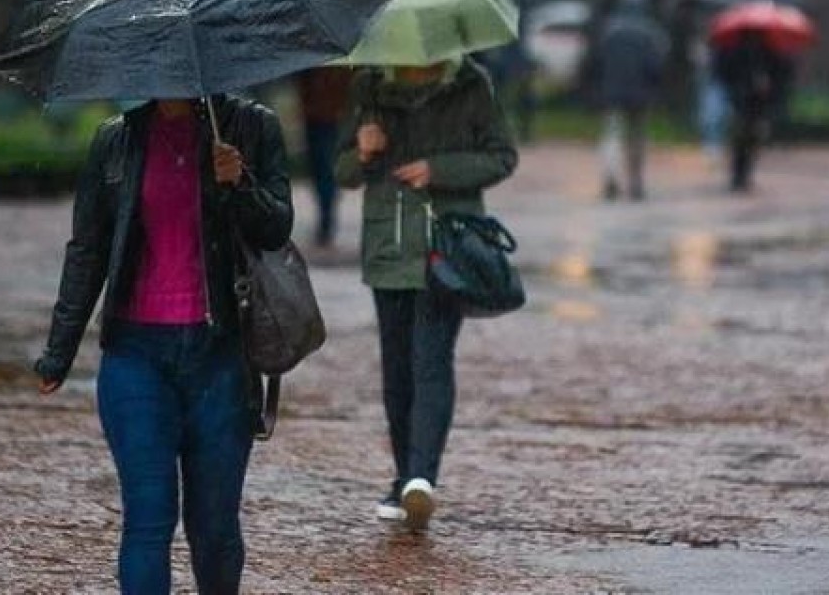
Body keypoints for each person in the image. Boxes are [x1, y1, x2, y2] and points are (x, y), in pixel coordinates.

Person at [35, 96, 293, 594]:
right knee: (148, 518)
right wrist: (59, 349)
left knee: (214, 531)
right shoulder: (116, 141)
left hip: (220, 358)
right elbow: (87, 250)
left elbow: (277, 228)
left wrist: (240, 182)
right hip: (136, 357)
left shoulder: (250, 127)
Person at [335, 57, 517, 530]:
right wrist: (364, 151)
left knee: (431, 361)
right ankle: (404, 476)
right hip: (388, 248)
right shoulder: (369, 86)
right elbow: (343, 171)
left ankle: (421, 479)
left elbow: (501, 156)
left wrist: (438, 169)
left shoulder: (472, 82)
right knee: (397, 369)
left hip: (447, 250)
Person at [590, 0, 670, 201]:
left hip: (612, 92)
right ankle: (635, 182)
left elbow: (597, 63)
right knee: (637, 139)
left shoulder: (608, 30)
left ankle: (610, 180)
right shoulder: (651, 33)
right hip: (640, 95)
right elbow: (655, 66)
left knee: (612, 137)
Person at [714, 30, 793, 192]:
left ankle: (744, 174)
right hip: (742, 101)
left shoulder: (772, 51)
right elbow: (723, 72)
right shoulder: (735, 51)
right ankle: (739, 175)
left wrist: (769, 84)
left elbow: (783, 73)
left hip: (759, 103)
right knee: (742, 137)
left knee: (753, 138)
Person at [297, 67, 354, 248]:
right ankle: (326, 218)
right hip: (317, 116)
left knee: (326, 171)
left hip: (332, 117)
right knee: (320, 170)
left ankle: (326, 220)